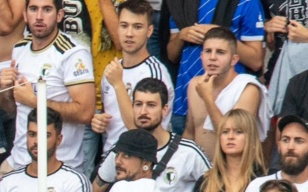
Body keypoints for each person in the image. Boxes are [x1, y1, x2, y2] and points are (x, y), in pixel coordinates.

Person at [0, 0, 95, 173]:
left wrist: (35, 101)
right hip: (20, 162)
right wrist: (4, 90)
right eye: (33, 9)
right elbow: (11, 109)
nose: (39, 17)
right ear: (25, 15)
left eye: (47, 10)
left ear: (59, 15)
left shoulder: (72, 53)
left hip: (60, 166)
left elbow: (85, 113)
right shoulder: (20, 48)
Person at [166, 0, 264, 135]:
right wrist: (182, 36)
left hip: (229, 102)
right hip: (184, 101)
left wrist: (220, 35)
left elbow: (256, 60)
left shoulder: (248, 3)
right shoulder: (183, 3)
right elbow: (172, 56)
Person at [90, 0, 173, 151]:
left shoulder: (154, 74)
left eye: (137, 27)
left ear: (149, 31)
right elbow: (111, 119)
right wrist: (97, 121)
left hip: (141, 159)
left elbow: (140, 131)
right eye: (124, 26)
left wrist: (118, 85)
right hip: (110, 159)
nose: (129, 33)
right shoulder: (112, 70)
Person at [184, 28, 269, 158]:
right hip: (197, 171)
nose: (212, 57)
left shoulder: (247, 89)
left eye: (220, 52)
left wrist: (207, 99)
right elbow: (190, 132)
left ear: (234, 59)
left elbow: (233, 137)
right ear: (201, 56)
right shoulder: (195, 84)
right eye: (208, 51)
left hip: (233, 171)